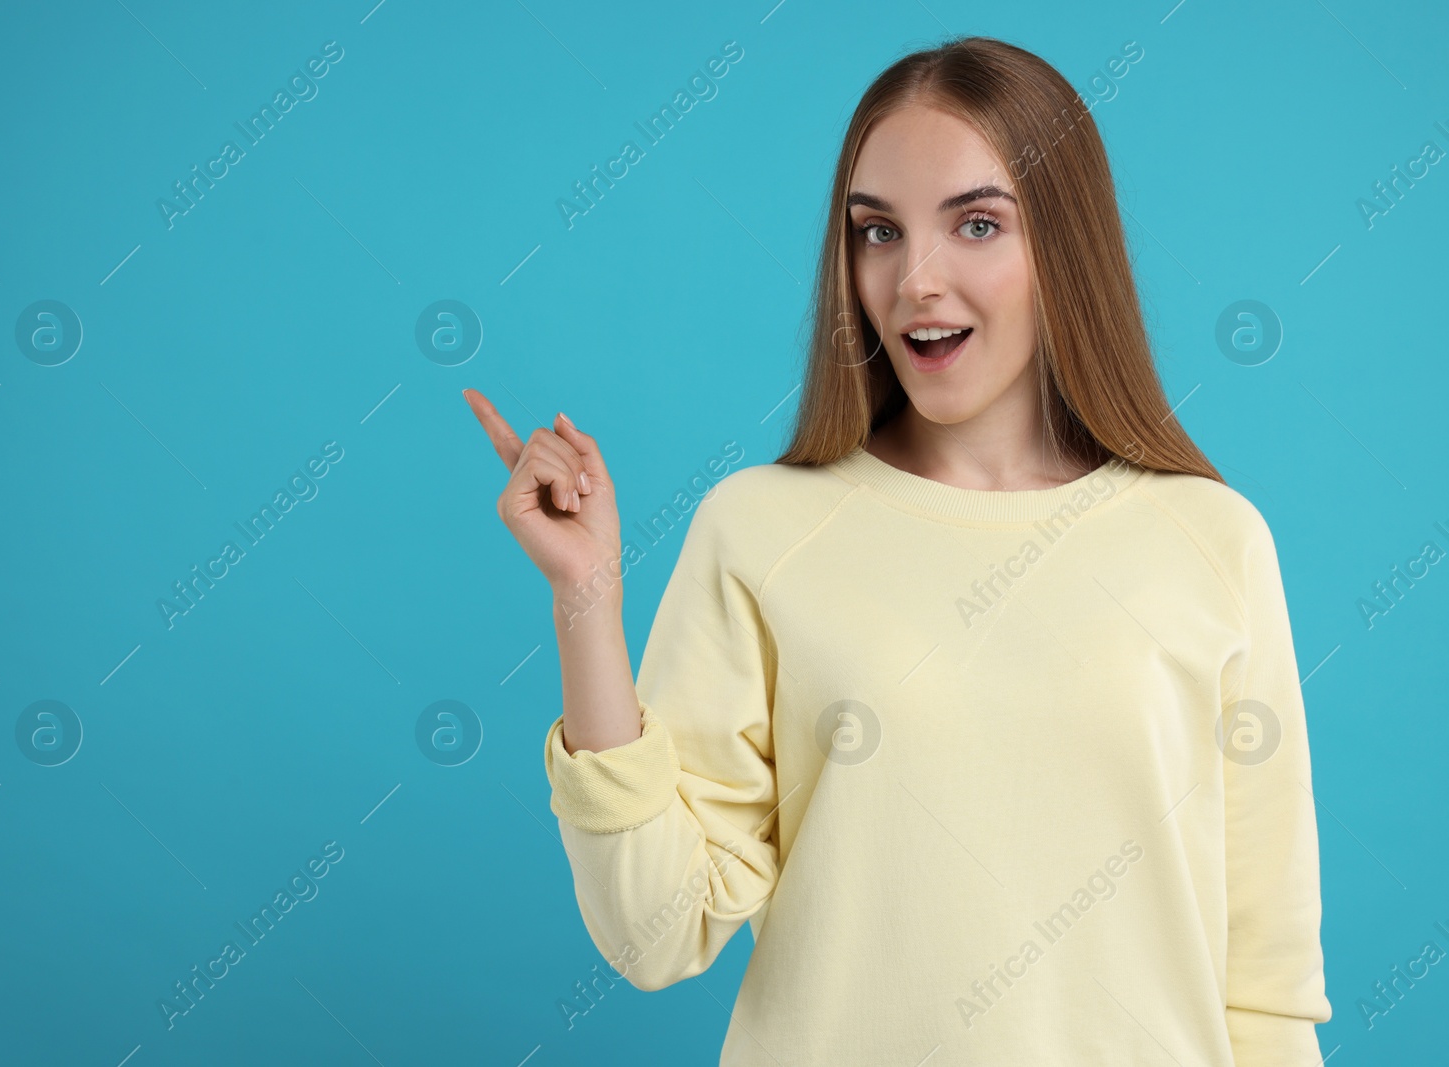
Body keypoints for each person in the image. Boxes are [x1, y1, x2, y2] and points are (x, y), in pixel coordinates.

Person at [465, 35, 1330, 1066]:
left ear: (1067, 245)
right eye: (877, 231)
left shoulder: (1208, 539)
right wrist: (587, 599)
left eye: (975, 223)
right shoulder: (762, 528)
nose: (915, 279)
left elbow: (1267, 987)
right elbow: (657, 929)